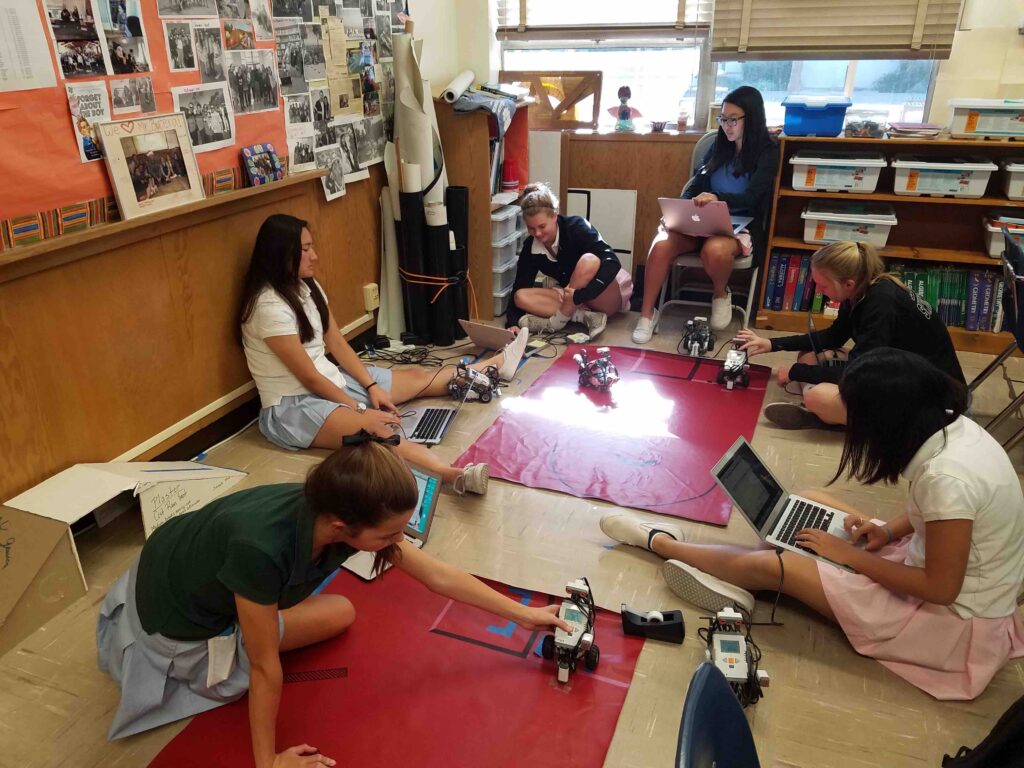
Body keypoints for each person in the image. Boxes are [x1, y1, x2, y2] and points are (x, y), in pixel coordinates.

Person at [98, 439, 571, 765]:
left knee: (342, 612)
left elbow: (436, 574)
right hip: (170, 625)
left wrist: (525, 614)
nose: (397, 540)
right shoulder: (261, 548)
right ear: (344, 526)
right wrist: (268, 762)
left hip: (171, 564)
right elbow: (265, 669)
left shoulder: (330, 502)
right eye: (388, 533)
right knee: (252, 671)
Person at [599, 348, 1024, 701]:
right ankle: (748, 573)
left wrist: (848, 555)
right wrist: (889, 532)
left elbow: (940, 588)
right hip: (942, 575)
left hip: (951, 622)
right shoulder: (952, 428)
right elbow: (935, 519)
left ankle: (662, 544)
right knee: (809, 502)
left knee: (776, 564)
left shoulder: (946, 478)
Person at [239, 214, 532, 494]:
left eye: (311, 246)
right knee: (378, 430)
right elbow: (309, 378)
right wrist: (360, 410)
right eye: (305, 249)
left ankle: (495, 364)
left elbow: (338, 344)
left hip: (329, 381)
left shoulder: (306, 286)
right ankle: (453, 476)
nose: (314, 255)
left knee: (417, 378)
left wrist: (371, 386)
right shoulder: (268, 306)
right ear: (281, 254)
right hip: (293, 406)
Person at [737, 240, 965, 430]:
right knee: (809, 357)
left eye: (823, 286)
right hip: (900, 372)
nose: (818, 291)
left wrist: (797, 372)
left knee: (816, 396)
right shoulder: (861, 290)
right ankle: (830, 411)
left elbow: (858, 372)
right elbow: (832, 338)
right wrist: (771, 343)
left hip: (936, 403)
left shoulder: (881, 304)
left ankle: (833, 416)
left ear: (848, 283)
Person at [633, 85, 779, 342]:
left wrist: (718, 199)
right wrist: (680, 211)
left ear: (752, 118)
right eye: (723, 119)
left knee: (715, 251)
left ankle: (720, 293)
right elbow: (696, 185)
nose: (727, 126)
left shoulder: (767, 151)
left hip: (740, 224)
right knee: (661, 245)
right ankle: (646, 315)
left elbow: (753, 198)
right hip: (702, 219)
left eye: (734, 119)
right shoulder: (719, 146)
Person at [507, 182, 633, 340]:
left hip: (604, 292)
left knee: (589, 260)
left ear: (554, 216)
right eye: (531, 228)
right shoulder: (530, 247)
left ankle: (556, 323)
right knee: (520, 296)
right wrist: (512, 323)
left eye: (542, 226)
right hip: (573, 296)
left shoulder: (577, 227)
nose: (537, 233)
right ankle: (585, 316)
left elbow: (612, 262)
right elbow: (520, 284)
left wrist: (579, 296)